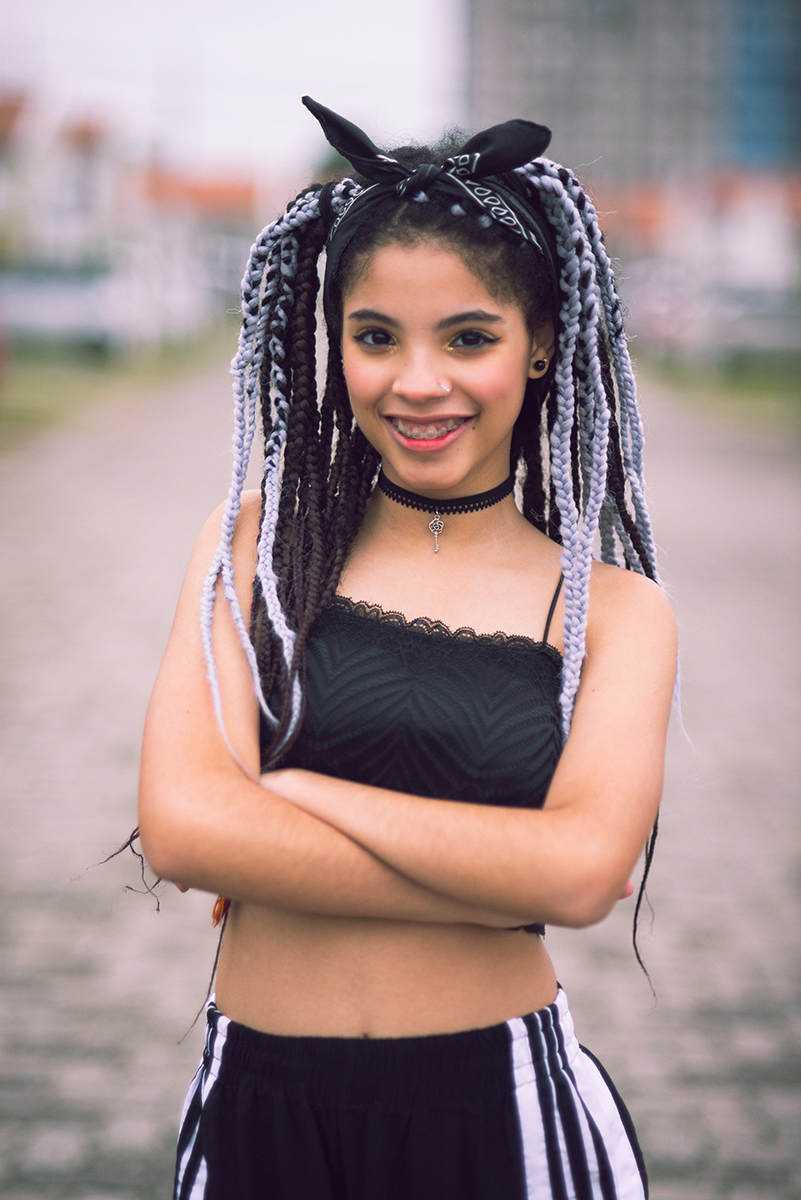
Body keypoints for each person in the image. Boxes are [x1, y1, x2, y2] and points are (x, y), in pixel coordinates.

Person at [138, 97, 677, 1200]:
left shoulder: (614, 611)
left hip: (506, 1118)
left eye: (469, 338)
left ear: (538, 351)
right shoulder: (250, 546)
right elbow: (186, 827)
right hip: (260, 1111)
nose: (416, 382)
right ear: (334, 345)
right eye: (375, 336)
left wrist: (295, 792)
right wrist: (502, 870)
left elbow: (581, 877)